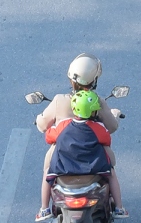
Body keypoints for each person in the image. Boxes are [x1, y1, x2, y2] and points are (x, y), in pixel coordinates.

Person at [34, 54, 124, 221]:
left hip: (63, 156)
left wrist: (42, 122)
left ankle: (44, 208)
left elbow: (44, 127)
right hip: (93, 157)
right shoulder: (98, 102)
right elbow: (110, 130)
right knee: (111, 169)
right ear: (94, 79)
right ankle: (118, 207)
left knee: (47, 171)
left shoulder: (59, 102)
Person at [41, 91, 126, 220]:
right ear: (93, 112)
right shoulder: (98, 127)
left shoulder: (63, 125)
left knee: (47, 175)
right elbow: (107, 140)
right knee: (112, 174)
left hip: (64, 168)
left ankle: (44, 209)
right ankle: (119, 208)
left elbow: (49, 137)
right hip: (94, 167)